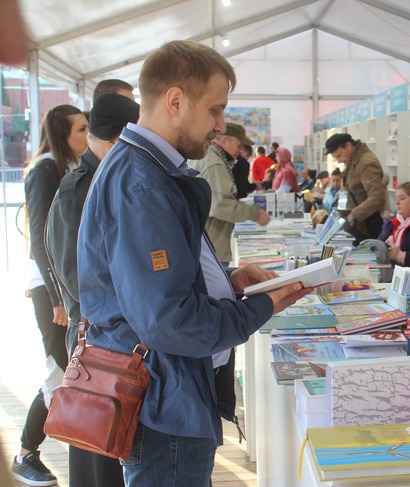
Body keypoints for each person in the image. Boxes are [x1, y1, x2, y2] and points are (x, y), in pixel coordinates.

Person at [76, 40, 310, 486]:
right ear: (176, 101)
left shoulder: (150, 170)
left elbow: (165, 282)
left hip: (171, 392)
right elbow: (169, 321)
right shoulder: (142, 184)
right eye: (215, 111)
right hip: (165, 403)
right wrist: (265, 306)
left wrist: (230, 281)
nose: (220, 126)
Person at [45, 92, 139, 487]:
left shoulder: (103, 176)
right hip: (96, 338)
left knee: (112, 440)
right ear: (119, 140)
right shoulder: (78, 187)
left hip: (110, 336)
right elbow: (75, 273)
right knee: (95, 439)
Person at [13, 104, 89, 486]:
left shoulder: (67, 167)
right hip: (52, 288)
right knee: (59, 370)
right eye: (81, 129)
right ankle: (26, 452)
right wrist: (59, 297)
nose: (86, 136)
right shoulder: (45, 168)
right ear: (63, 135)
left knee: (64, 369)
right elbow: (43, 237)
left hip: (61, 286)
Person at [188, 122, 270, 266]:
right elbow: (221, 206)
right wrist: (255, 214)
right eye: (239, 145)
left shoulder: (209, 157)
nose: (240, 150)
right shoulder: (215, 163)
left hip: (205, 243)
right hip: (212, 246)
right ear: (225, 141)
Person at [324, 132, 387, 244]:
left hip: (367, 225)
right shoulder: (353, 160)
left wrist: (353, 215)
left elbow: (377, 197)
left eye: (338, 155)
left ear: (348, 145)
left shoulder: (366, 162)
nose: (338, 160)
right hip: (357, 223)